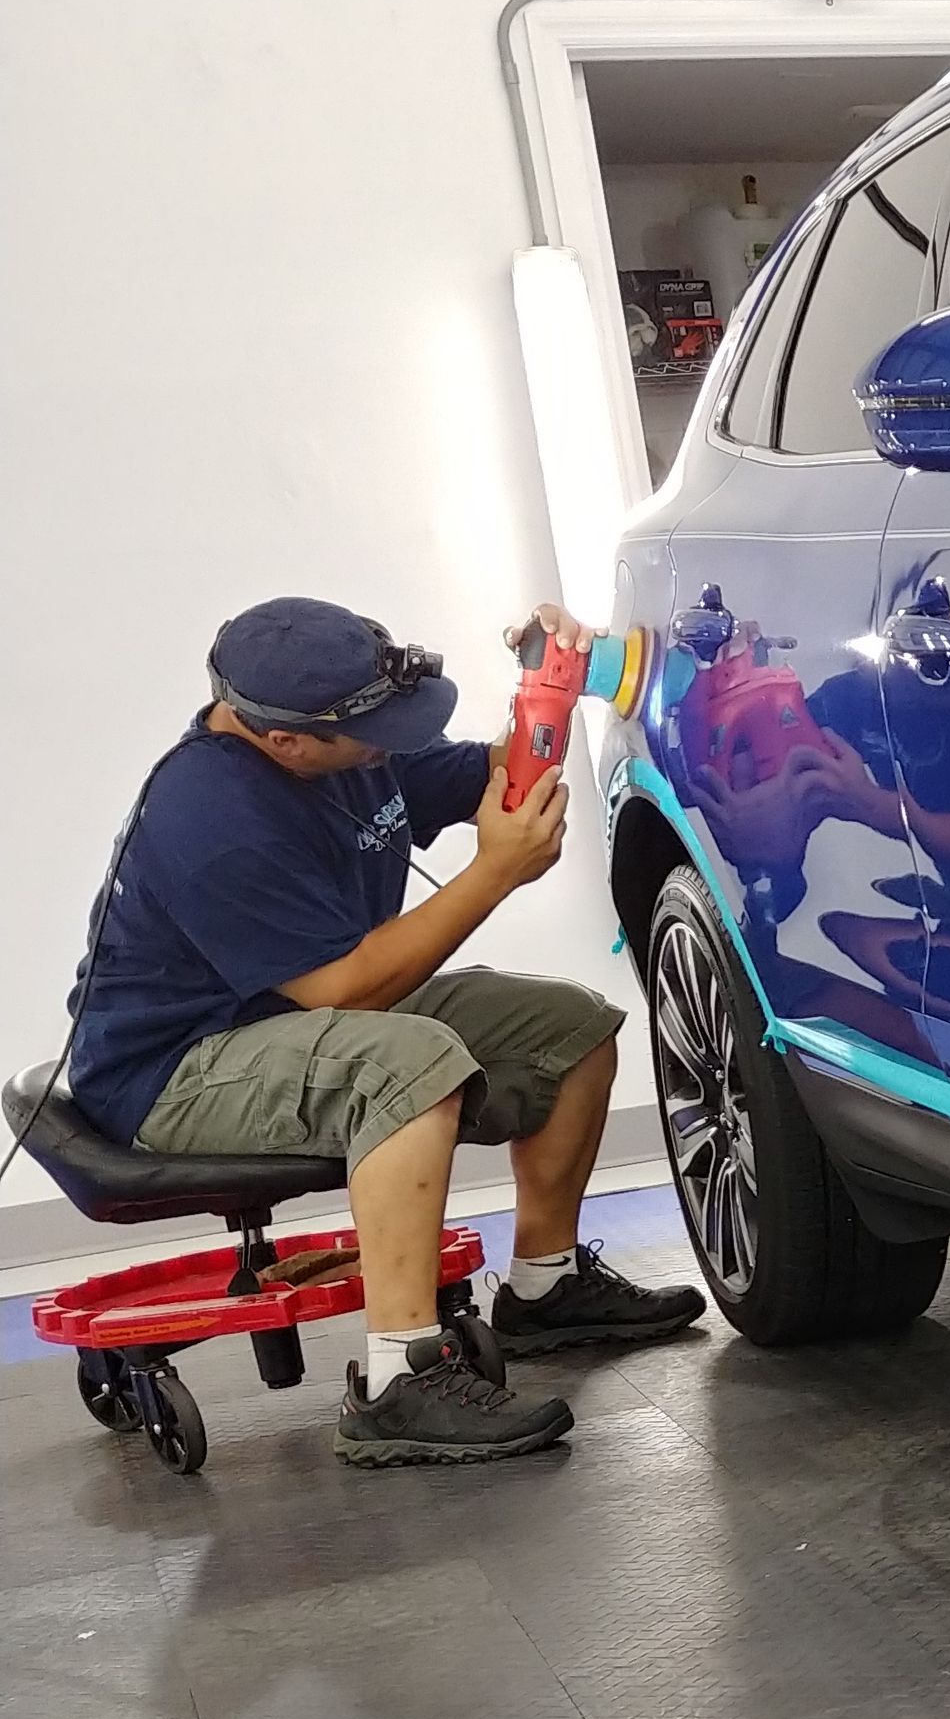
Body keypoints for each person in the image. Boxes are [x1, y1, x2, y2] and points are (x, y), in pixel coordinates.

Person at [65, 595, 704, 1468]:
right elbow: (352, 992)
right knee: (406, 1065)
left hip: (304, 1020)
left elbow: (491, 775)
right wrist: (493, 875)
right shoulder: (208, 816)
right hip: (177, 1067)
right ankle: (399, 1382)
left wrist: (550, 690)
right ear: (285, 739)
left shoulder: (347, 753)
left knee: (569, 1028)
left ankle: (547, 1289)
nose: (395, 742)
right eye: (378, 730)